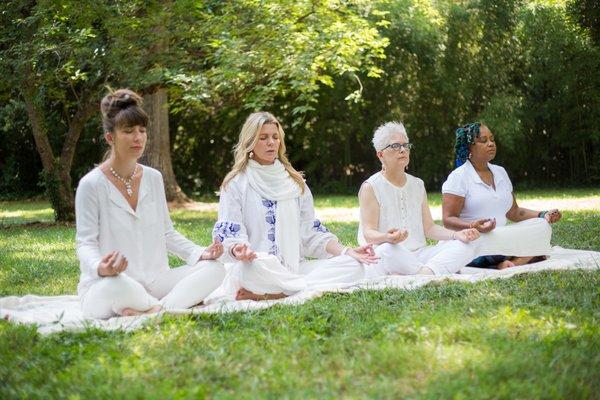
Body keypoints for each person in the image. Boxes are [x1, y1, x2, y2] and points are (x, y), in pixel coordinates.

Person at [75, 89, 225, 319]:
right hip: (111, 285)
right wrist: (101, 267)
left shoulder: (153, 178)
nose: (138, 138)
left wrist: (200, 252)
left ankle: (153, 310)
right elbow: (85, 243)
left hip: (156, 281)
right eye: (128, 131)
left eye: (142, 131)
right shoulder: (91, 184)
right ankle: (164, 306)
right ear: (110, 137)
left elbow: (167, 233)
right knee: (119, 285)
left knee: (215, 269)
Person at [209, 111, 378, 301]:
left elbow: (310, 232)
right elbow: (230, 234)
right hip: (258, 268)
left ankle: (277, 293)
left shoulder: (296, 183)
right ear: (250, 142)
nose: (271, 142)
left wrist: (347, 251)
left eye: (275, 137)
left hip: (295, 269)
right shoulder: (236, 183)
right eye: (263, 138)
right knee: (255, 267)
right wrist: (238, 250)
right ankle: (286, 289)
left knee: (353, 265)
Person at [358, 121, 487, 276]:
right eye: (395, 146)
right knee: (387, 249)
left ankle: (422, 274)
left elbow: (429, 228)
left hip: (420, 255)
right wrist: (387, 237)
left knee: (469, 242)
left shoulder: (418, 184)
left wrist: (457, 234)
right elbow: (368, 233)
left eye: (406, 145)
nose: (403, 150)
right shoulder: (370, 187)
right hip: (389, 253)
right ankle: (431, 272)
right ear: (380, 154)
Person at [442, 122, 560, 269]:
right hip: (474, 238)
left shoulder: (500, 172)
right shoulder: (458, 177)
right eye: (483, 141)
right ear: (469, 148)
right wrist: (474, 226)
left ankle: (511, 263)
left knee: (542, 226)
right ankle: (515, 259)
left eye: (492, 139)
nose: (491, 144)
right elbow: (448, 220)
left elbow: (514, 212)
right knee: (483, 240)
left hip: (501, 237)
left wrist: (543, 214)